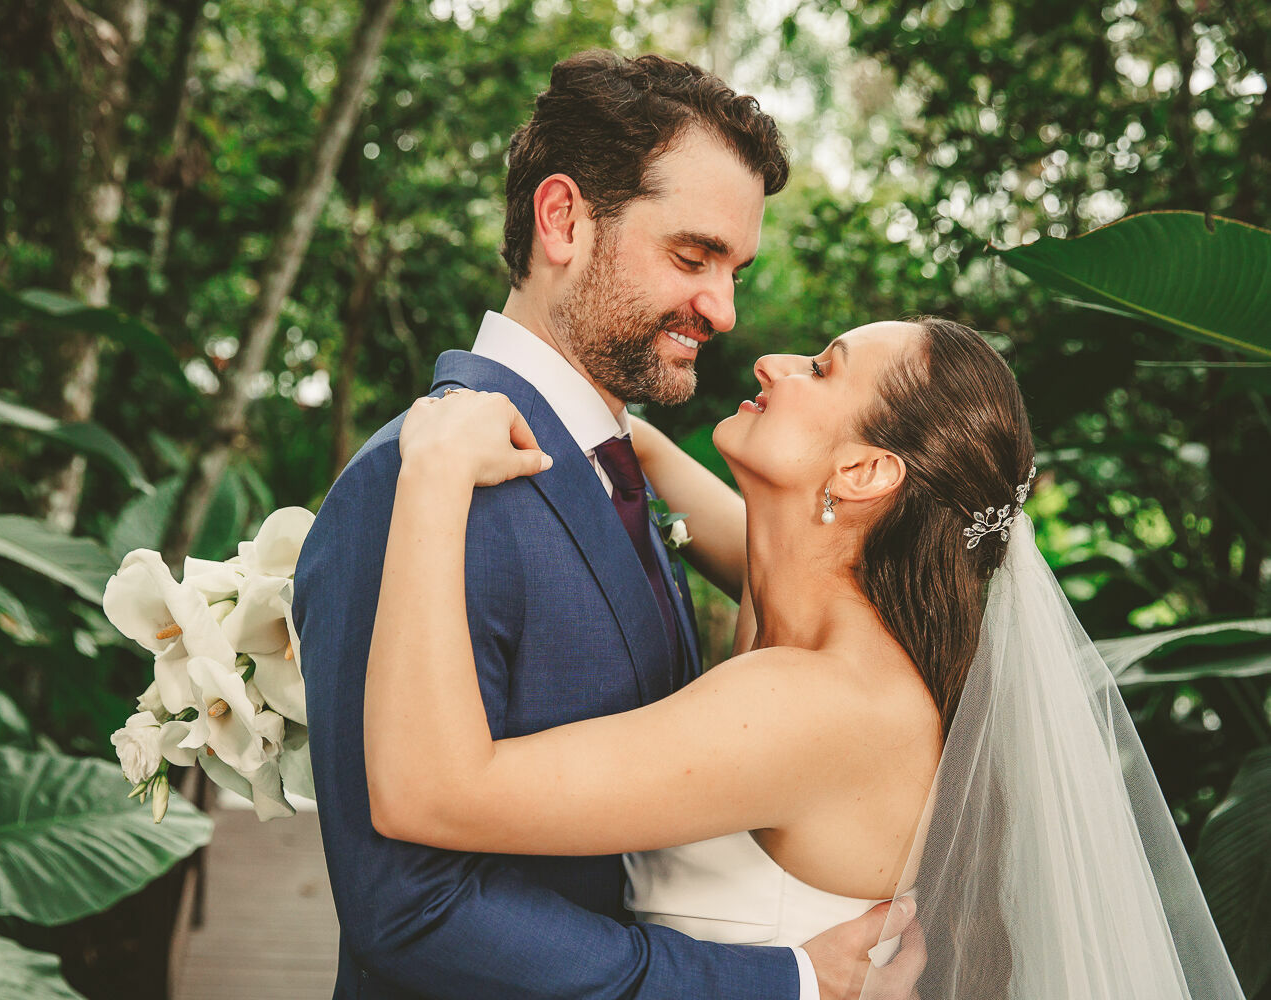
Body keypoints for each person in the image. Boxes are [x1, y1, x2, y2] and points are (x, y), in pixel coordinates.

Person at [364, 316, 1246, 999]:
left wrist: (433, 473)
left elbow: (430, 793)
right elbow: (651, 461)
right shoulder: (804, 600)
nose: (773, 363)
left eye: (821, 368)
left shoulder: (822, 703)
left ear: (864, 475)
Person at [291, 50, 918, 999]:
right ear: (563, 221)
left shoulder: (616, 469)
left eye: (734, 267)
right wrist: (783, 984)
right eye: (692, 255)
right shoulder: (419, 482)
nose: (725, 308)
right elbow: (409, 911)